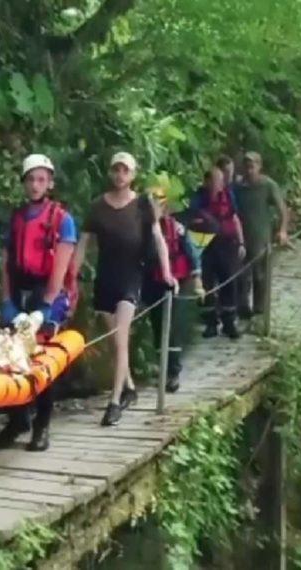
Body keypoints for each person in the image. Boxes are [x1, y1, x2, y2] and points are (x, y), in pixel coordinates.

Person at [72, 152, 176, 427]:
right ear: (110, 172)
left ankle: (115, 401)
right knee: (113, 340)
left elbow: (158, 238)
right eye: (116, 169)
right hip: (105, 277)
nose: (120, 175)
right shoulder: (98, 207)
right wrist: (71, 275)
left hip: (131, 276)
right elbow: (83, 243)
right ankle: (129, 386)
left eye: (125, 170)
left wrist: (166, 272)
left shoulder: (143, 205)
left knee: (121, 339)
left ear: (133, 174)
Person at [0, 153, 78, 452]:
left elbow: (61, 267)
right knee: (10, 356)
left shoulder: (62, 220)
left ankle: (42, 425)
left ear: (50, 183)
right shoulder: (16, 219)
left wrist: (46, 307)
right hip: (20, 290)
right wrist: (7, 302)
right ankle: (19, 418)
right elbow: (6, 263)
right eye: (30, 179)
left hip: (47, 293)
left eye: (41, 179)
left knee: (41, 358)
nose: (35, 185)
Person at [142, 186, 204, 393]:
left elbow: (191, 251)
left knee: (173, 325)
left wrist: (197, 280)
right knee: (158, 325)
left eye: (158, 204)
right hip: (152, 282)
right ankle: (163, 368)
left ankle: (173, 371)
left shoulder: (176, 228)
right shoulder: (143, 229)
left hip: (175, 281)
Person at [189, 167, 245, 339]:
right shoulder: (198, 198)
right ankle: (210, 323)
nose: (217, 185)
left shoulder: (228, 196)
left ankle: (229, 322)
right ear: (206, 182)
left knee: (228, 280)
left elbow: (234, 218)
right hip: (205, 245)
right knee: (207, 284)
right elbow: (191, 219)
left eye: (220, 181)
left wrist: (241, 242)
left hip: (227, 244)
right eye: (214, 181)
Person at [234, 152, 289, 319]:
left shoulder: (268, 185)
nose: (249, 170)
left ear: (259, 166)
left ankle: (259, 309)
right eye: (247, 167)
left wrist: (282, 230)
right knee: (242, 276)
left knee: (260, 276)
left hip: (261, 237)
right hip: (241, 238)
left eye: (252, 166)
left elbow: (282, 210)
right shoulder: (238, 187)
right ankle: (243, 307)